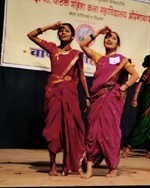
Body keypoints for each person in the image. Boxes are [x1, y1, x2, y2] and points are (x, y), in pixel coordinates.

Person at [27, 21, 90, 176]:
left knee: (72, 128)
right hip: (53, 93)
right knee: (53, 130)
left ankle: (72, 164)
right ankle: (53, 165)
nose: (62, 32)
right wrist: (49, 27)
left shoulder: (77, 54)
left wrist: (87, 95)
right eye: (61, 30)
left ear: (72, 35)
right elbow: (31, 35)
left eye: (66, 31)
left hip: (70, 94)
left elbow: (81, 75)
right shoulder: (52, 48)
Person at [79, 26, 139, 178]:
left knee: (110, 132)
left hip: (111, 98)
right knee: (92, 133)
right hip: (97, 98)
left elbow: (135, 74)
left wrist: (124, 86)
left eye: (113, 38)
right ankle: (90, 169)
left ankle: (112, 167)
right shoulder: (99, 58)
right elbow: (83, 45)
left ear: (117, 44)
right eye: (107, 38)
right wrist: (98, 32)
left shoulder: (121, 59)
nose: (109, 39)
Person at [122, 55, 150, 159]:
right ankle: (127, 147)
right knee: (143, 123)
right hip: (146, 101)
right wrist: (134, 99)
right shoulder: (147, 72)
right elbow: (139, 84)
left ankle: (148, 151)